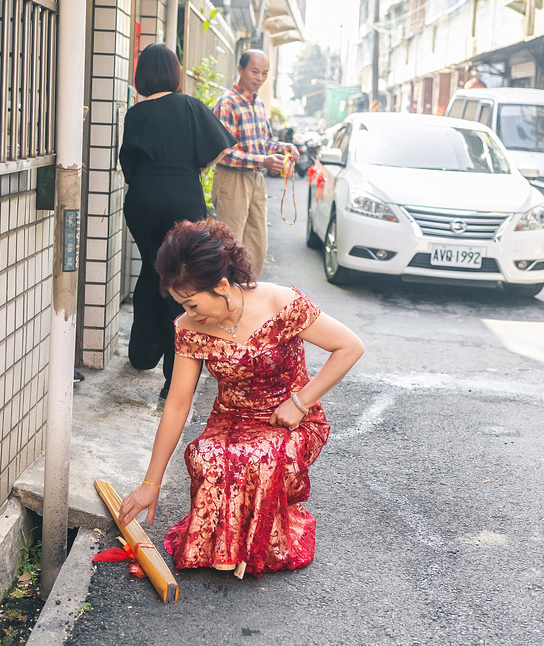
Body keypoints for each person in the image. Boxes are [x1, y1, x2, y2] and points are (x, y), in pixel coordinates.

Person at [117, 220, 365, 578]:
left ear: (221, 286)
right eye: (181, 305)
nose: (188, 313)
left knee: (260, 459)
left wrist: (300, 403)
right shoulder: (188, 328)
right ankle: (227, 546)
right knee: (207, 456)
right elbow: (177, 404)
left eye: (191, 303)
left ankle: (257, 544)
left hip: (290, 417)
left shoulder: (281, 302)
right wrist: (149, 484)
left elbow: (350, 347)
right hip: (230, 419)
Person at [119, 43, 237, 398]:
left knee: (152, 268)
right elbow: (221, 147)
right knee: (181, 279)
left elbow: (129, 169)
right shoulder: (190, 106)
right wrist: (194, 166)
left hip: (142, 198)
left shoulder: (135, 114)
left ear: (142, 74)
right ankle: (174, 378)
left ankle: (142, 353)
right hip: (182, 196)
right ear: (175, 72)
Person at [211, 49, 299, 277]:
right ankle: (225, 303)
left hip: (256, 179)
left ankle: (247, 298)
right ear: (240, 70)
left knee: (257, 245)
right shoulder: (227, 103)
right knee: (229, 246)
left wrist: (283, 148)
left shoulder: (258, 105)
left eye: (265, 73)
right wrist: (264, 161)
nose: (260, 78)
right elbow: (223, 152)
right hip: (232, 179)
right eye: (255, 71)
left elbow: (264, 142)